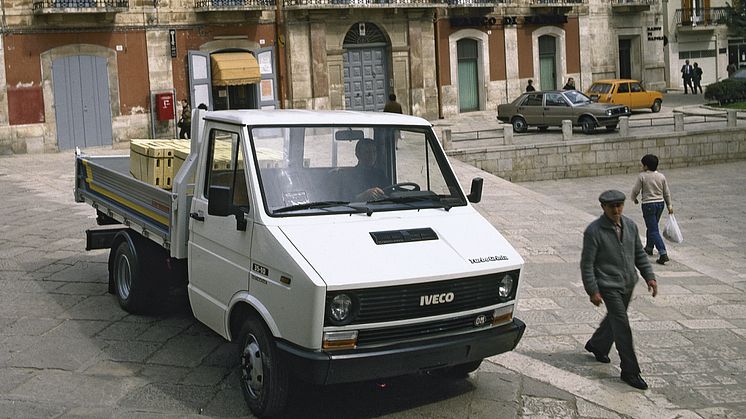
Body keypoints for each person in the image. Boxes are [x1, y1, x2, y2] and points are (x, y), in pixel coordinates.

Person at [581, 190, 658, 391]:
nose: (616, 210)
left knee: (615, 319)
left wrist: (649, 277)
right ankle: (630, 371)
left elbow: (639, 254)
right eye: (612, 206)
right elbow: (587, 264)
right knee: (622, 325)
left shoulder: (630, 226)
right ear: (603, 207)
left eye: (619, 206)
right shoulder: (594, 231)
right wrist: (593, 290)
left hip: (628, 283)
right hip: (608, 286)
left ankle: (597, 345)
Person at [631, 154, 674, 265]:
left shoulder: (642, 176)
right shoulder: (661, 176)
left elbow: (636, 190)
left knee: (653, 229)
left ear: (645, 166)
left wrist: (634, 198)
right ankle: (649, 247)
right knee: (652, 226)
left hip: (648, 204)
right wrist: (669, 205)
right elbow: (666, 192)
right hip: (660, 204)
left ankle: (663, 253)